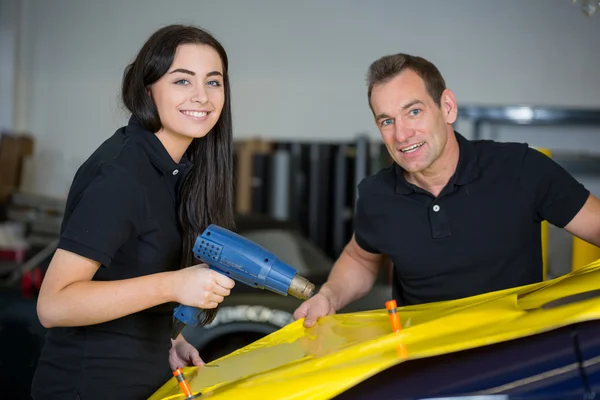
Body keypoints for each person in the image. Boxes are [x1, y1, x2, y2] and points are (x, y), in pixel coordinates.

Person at [293, 53, 600, 328]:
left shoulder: (520, 168)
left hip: (515, 366)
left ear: (447, 107)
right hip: (428, 372)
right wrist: (329, 297)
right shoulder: (377, 195)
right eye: (387, 121)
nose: (401, 134)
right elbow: (361, 258)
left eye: (414, 112)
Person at [31, 24, 237, 400]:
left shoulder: (178, 169)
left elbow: (130, 270)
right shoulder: (121, 174)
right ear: (147, 89)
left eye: (213, 82)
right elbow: (53, 304)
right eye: (181, 81)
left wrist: (167, 341)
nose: (201, 96)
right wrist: (172, 285)